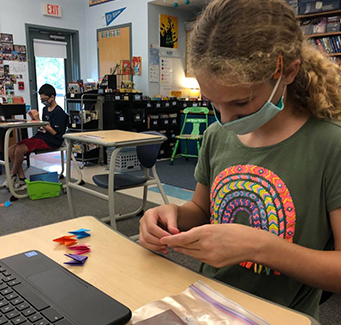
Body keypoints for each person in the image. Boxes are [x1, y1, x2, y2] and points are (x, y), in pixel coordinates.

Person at [139, 0, 341, 320]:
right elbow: (202, 210)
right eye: (214, 104)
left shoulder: (330, 145)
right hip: (208, 304)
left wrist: (260, 248)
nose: (226, 118)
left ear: (286, 72)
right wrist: (171, 215)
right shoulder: (217, 137)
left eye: (241, 103)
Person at [1, 84, 68, 190]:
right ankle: (22, 179)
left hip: (52, 140)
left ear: (52, 97)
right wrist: (34, 119)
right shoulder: (45, 109)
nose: (43, 101)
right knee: (11, 150)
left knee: (19, 150)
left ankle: (12, 176)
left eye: (45, 99)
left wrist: (39, 121)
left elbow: (54, 132)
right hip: (41, 137)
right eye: (41, 99)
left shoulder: (59, 112)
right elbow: (43, 127)